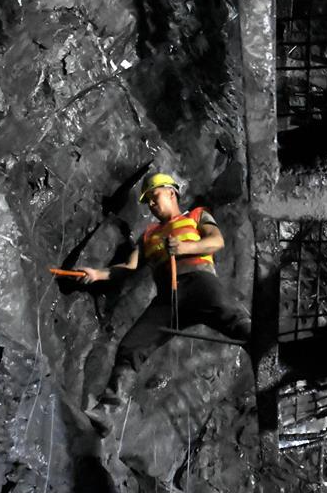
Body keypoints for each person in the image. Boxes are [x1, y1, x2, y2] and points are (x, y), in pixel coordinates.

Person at [79, 170, 251, 435]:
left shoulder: (196, 216)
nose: (150, 204)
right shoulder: (148, 235)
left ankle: (266, 349)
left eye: (154, 196)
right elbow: (128, 268)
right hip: (168, 299)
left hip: (200, 281)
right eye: (147, 200)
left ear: (171, 193)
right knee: (130, 346)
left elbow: (216, 241)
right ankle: (107, 411)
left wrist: (183, 248)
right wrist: (98, 274)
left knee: (235, 319)